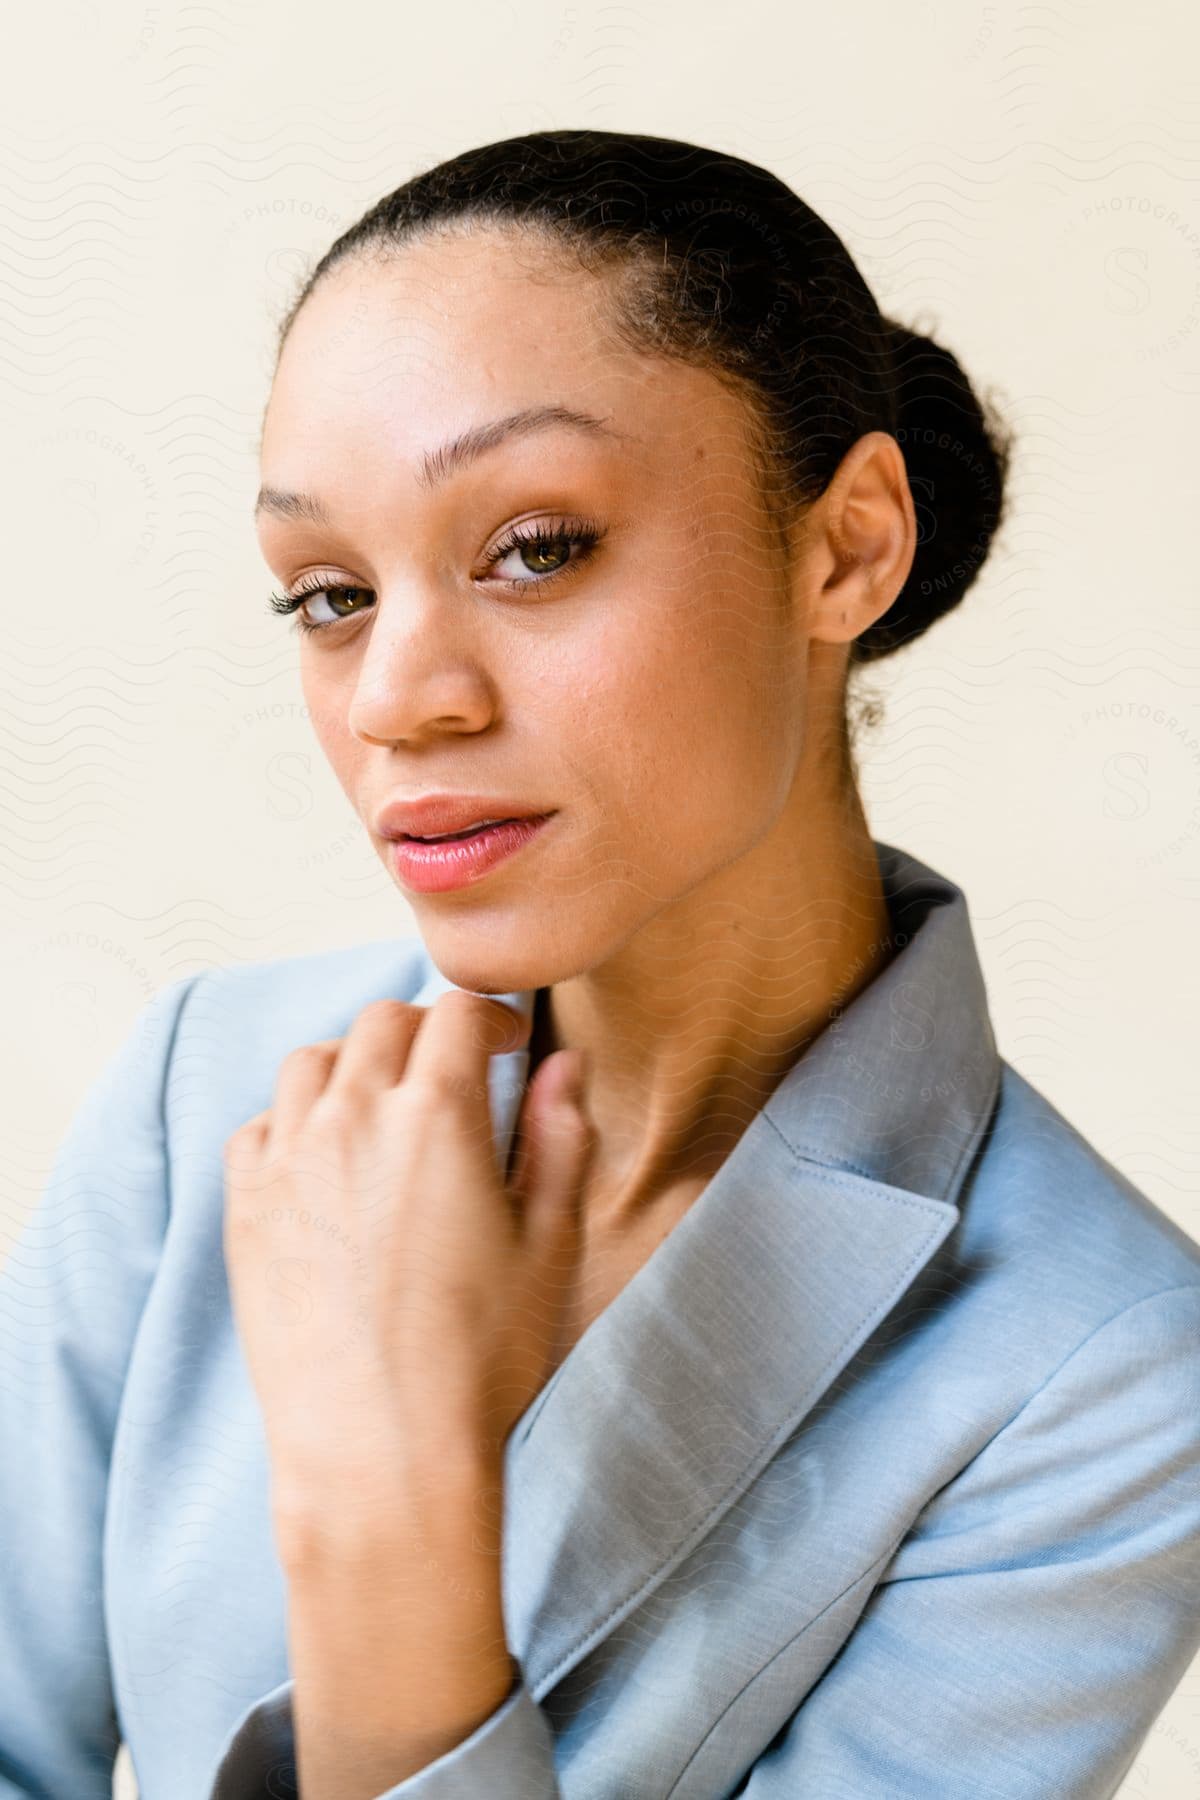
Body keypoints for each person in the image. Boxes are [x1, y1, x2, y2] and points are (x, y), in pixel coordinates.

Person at [1, 128, 1198, 1800]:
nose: (399, 698)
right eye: (330, 594)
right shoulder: (201, 1094)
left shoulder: (1106, 1371)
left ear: (847, 544)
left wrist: (394, 1518)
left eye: (537, 547)